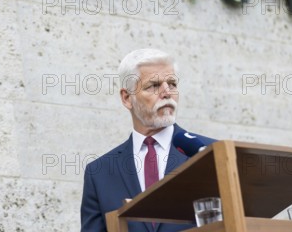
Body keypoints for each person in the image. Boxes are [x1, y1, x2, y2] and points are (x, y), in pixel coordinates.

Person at [80, 48, 216, 232]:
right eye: (154, 85)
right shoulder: (100, 172)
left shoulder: (210, 152)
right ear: (127, 98)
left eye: (172, 84)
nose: (167, 92)